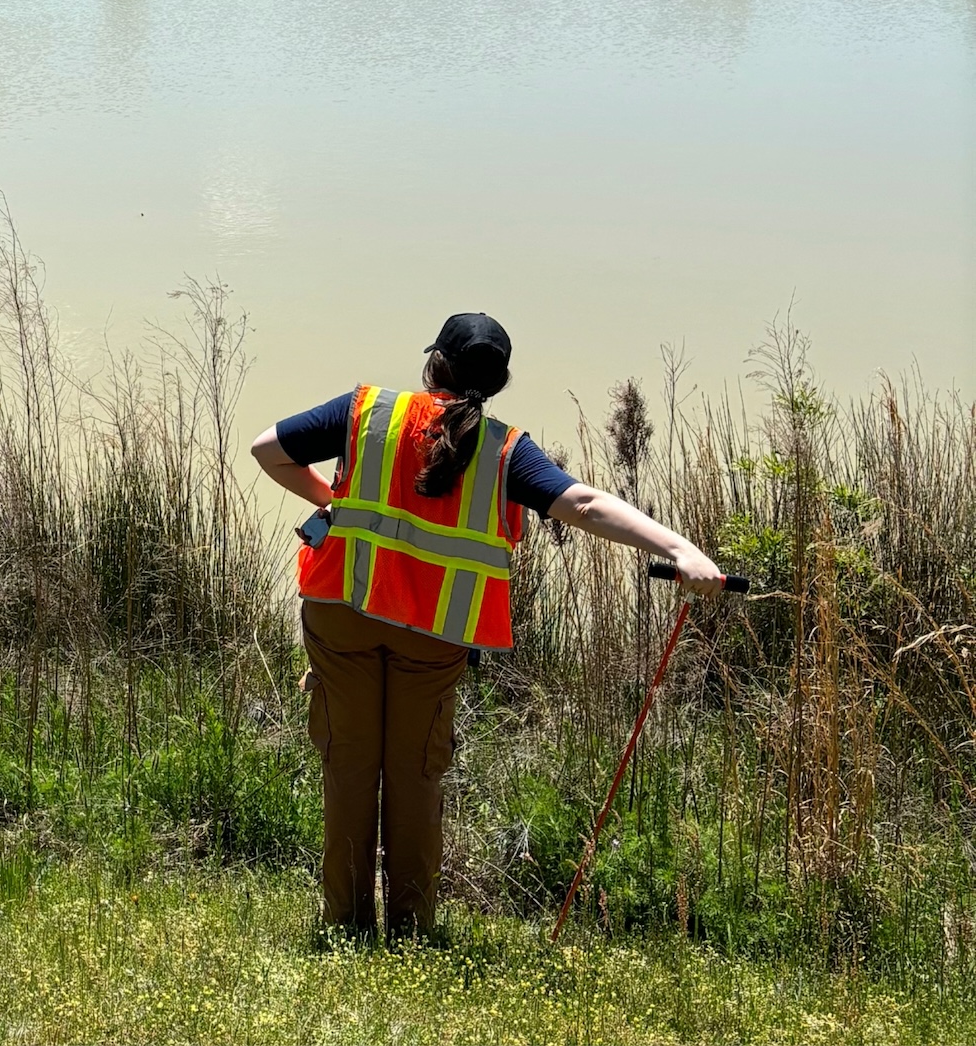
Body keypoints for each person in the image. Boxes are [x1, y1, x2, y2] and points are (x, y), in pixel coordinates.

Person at [248, 311, 726, 941]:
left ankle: (345, 924)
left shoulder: (366, 410)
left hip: (343, 613)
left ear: (432, 364)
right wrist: (681, 549)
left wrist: (328, 501)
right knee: (417, 774)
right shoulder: (505, 449)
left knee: (349, 764)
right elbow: (583, 503)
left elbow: (267, 450)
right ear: (496, 383)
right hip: (433, 629)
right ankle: (411, 928)